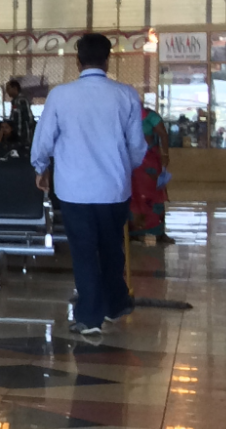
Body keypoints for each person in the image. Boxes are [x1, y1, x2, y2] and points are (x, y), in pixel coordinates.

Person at [31, 31, 145, 337]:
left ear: (77, 60)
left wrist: (41, 168)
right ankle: (115, 304)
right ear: (108, 59)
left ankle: (90, 316)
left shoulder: (61, 95)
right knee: (112, 248)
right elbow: (136, 145)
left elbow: (44, 140)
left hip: (75, 190)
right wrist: (123, 169)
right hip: (114, 189)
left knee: (83, 252)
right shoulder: (126, 94)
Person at [129, 100, 173, 246]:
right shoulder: (125, 116)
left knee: (155, 195)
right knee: (133, 196)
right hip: (132, 163)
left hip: (149, 163)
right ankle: (133, 232)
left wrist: (165, 155)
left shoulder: (150, 116)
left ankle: (159, 232)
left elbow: (163, 135)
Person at [5, 78, 36, 148]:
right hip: (16, 132)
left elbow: (28, 118)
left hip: (23, 134)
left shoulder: (21, 100)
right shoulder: (14, 101)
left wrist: (22, 133)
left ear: (15, 88)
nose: (7, 91)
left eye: (8, 89)